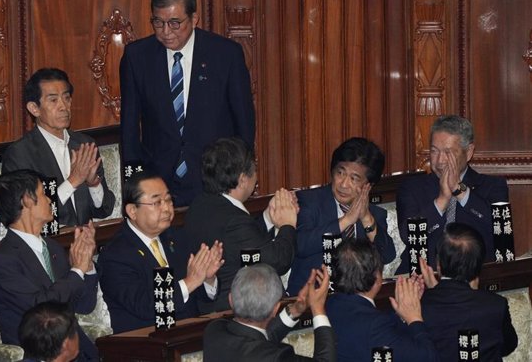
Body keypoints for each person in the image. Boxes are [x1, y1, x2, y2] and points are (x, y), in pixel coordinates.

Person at [120, 0, 255, 207]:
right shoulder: (137, 57)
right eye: (158, 22)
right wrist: (134, 185)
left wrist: (239, 176)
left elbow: (244, 123)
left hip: (215, 178)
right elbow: (130, 130)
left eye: (174, 23)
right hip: (159, 181)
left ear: (194, 19)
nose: (165, 31)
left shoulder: (225, 54)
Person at [0, 169, 98, 361]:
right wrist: (77, 270)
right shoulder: (3, 260)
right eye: (43, 194)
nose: (49, 200)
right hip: (37, 354)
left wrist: (87, 266)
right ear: (27, 200)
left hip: (76, 352)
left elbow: (85, 306)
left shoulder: (53, 247)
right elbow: (40, 308)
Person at [98, 171, 223, 332]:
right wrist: (190, 281)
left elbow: (197, 296)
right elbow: (145, 306)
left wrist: (207, 279)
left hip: (189, 336)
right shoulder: (115, 255)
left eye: (169, 200)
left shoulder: (177, 238)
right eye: (157, 202)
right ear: (132, 211)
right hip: (145, 345)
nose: (167, 208)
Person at [184, 137, 298, 312]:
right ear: (243, 179)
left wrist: (268, 217)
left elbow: (248, 244)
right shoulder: (234, 220)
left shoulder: (200, 204)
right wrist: (288, 223)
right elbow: (278, 260)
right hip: (235, 312)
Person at [2, 68, 115, 226]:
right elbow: (26, 218)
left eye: (67, 98)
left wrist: (93, 184)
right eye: (53, 100)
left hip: (87, 241)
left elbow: (104, 210)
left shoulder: (85, 145)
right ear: (34, 108)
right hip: (48, 245)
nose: (64, 106)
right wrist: (73, 181)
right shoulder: (19, 154)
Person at [396, 115, 508, 273]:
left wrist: (460, 191)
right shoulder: (412, 187)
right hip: (422, 280)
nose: (440, 160)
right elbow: (408, 235)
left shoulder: (493, 186)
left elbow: (501, 232)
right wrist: (442, 200)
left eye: (448, 152)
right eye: (434, 151)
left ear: (468, 152)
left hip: (475, 280)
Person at [287, 137, 395, 295]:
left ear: (368, 185)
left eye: (354, 179)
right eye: (340, 173)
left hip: (355, 303)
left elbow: (387, 255)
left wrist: (366, 218)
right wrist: (345, 221)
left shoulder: (375, 214)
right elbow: (300, 245)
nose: (343, 184)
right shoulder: (310, 202)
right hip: (310, 301)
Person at [326, 239, 438, 362]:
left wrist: (404, 310)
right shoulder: (375, 326)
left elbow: (382, 327)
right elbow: (428, 357)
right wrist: (414, 318)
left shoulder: (331, 303)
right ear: (376, 277)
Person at [420, 223, 517, 361]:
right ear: (479, 266)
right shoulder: (496, 304)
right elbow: (509, 345)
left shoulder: (419, 306)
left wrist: (433, 292)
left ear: (438, 264)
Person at [203, 264, 335, 362]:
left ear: (231, 300)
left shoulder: (214, 330)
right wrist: (318, 309)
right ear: (275, 309)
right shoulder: (276, 357)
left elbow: (256, 340)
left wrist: (294, 311)